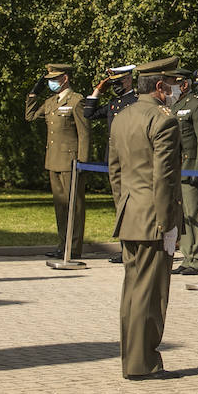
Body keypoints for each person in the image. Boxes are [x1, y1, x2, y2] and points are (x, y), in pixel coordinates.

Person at [108, 58, 183, 381]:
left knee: (132, 291)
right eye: (172, 84)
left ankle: (132, 359)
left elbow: (115, 172)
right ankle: (144, 363)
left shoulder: (122, 117)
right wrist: (169, 223)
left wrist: (124, 206)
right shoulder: (163, 121)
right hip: (154, 216)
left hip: (130, 213)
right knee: (150, 294)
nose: (175, 89)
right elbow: (163, 178)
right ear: (159, 87)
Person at [25, 63, 90, 260]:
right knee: (60, 206)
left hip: (71, 161)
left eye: (54, 79)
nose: (51, 83)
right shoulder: (51, 102)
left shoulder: (77, 100)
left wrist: (83, 162)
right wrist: (33, 95)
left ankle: (74, 247)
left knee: (74, 207)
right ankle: (63, 245)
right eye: (49, 80)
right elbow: (30, 116)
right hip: (53, 160)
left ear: (65, 78)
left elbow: (84, 134)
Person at [84, 65, 137, 265]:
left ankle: (132, 250)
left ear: (129, 80)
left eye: (119, 82)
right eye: (113, 83)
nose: (116, 87)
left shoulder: (136, 101)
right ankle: (125, 249)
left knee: (131, 206)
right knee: (119, 205)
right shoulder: (114, 103)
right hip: (114, 161)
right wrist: (98, 90)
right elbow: (88, 114)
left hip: (131, 159)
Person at [168, 67, 198, 276]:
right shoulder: (174, 106)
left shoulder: (196, 105)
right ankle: (187, 256)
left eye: (173, 84)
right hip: (177, 169)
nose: (170, 88)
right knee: (183, 216)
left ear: (184, 84)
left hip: (191, 167)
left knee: (195, 214)